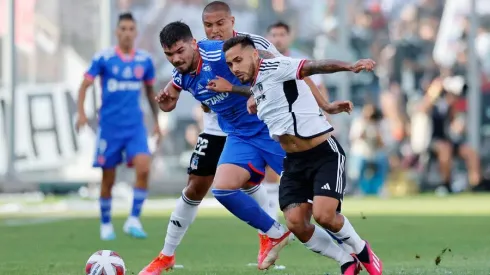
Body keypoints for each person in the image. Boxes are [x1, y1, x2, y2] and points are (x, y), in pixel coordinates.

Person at [209, 35, 383, 275]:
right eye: (230, 64)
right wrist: (239, 92)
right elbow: (261, 88)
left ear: (255, 54)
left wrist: (350, 66)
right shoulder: (255, 83)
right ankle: (346, 260)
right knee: (295, 223)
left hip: (323, 153)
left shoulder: (277, 65)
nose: (234, 68)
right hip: (293, 161)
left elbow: (312, 67)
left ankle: (363, 251)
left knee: (324, 215)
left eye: (238, 60)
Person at [138, 22, 290, 275]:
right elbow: (171, 94)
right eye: (209, 24)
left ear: (231, 23)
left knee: (257, 182)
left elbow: (268, 73)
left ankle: (271, 236)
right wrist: (166, 102)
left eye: (220, 23)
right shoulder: (186, 66)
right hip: (214, 130)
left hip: (251, 128)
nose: (215, 30)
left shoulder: (230, 52)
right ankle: (166, 255)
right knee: (196, 187)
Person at [76, 13, 161, 241]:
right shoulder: (103, 58)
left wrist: (157, 124)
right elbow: (84, 85)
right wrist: (82, 113)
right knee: (108, 178)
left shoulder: (144, 61)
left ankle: (133, 219)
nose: (126, 33)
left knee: (144, 168)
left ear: (136, 32)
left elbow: (150, 92)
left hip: (135, 127)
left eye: (131, 29)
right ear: (117, 32)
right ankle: (106, 223)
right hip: (110, 128)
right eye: (122, 28)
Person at [267, 21, 328, 96]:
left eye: (282, 35)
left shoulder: (302, 61)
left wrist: (325, 107)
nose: (278, 39)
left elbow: (319, 86)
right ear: (268, 38)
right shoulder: (261, 62)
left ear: (289, 37)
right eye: (274, 35)